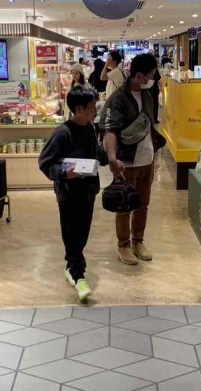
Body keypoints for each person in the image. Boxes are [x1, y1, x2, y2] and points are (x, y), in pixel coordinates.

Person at [38, 86, 101, 303]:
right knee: (71, 233)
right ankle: (78, 274)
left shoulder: (90, 128)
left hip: (88, 191)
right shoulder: (62, 133)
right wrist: (65, 173)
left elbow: (95, 153)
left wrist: (110, 159)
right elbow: (45, 163)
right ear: (79, 109)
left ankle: (71, 266)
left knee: (82, 233)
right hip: (68, 193)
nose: (95, 110)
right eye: (92, 106)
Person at [103, 53, 165, 266]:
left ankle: (138, 241)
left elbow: (149, 124)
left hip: (147, 159)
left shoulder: (147, 95)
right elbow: (110, 131)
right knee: (124, 205)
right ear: (139, 76)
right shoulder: (118, 98)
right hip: (126, 162)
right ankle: (123, 245)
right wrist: (112, 159)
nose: (154, 78)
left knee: (142, 205)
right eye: (151, 74)